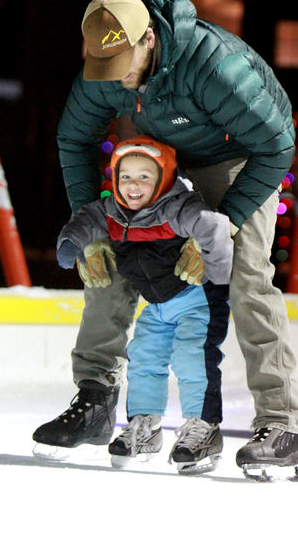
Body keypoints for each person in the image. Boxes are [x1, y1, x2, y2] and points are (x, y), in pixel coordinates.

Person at [33, 0, 298, 475]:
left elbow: (276, 146)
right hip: (160, 157)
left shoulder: (213, 65)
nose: (118, 77)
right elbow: (73, 137)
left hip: (239, 157)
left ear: (149, 38)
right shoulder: (104, 67)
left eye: (125, 63)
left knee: (241, 272)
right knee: (110, 250)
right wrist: (90, 227)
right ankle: (95, 400)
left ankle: (281, 422)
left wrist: (226, 225)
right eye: (106, 66)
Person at [54, 136, 232, 473]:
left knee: (192, 359)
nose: (133, 185)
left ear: (163, 178)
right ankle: (145, 427)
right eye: (126, 177)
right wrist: (71, 243)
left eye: (144, 177)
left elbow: (215, 226)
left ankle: (203, 428)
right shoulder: (115, 212)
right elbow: (86, 220)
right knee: (144, 360)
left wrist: (219, 282)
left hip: (197, 301)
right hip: (159, 306)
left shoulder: (177, 207)